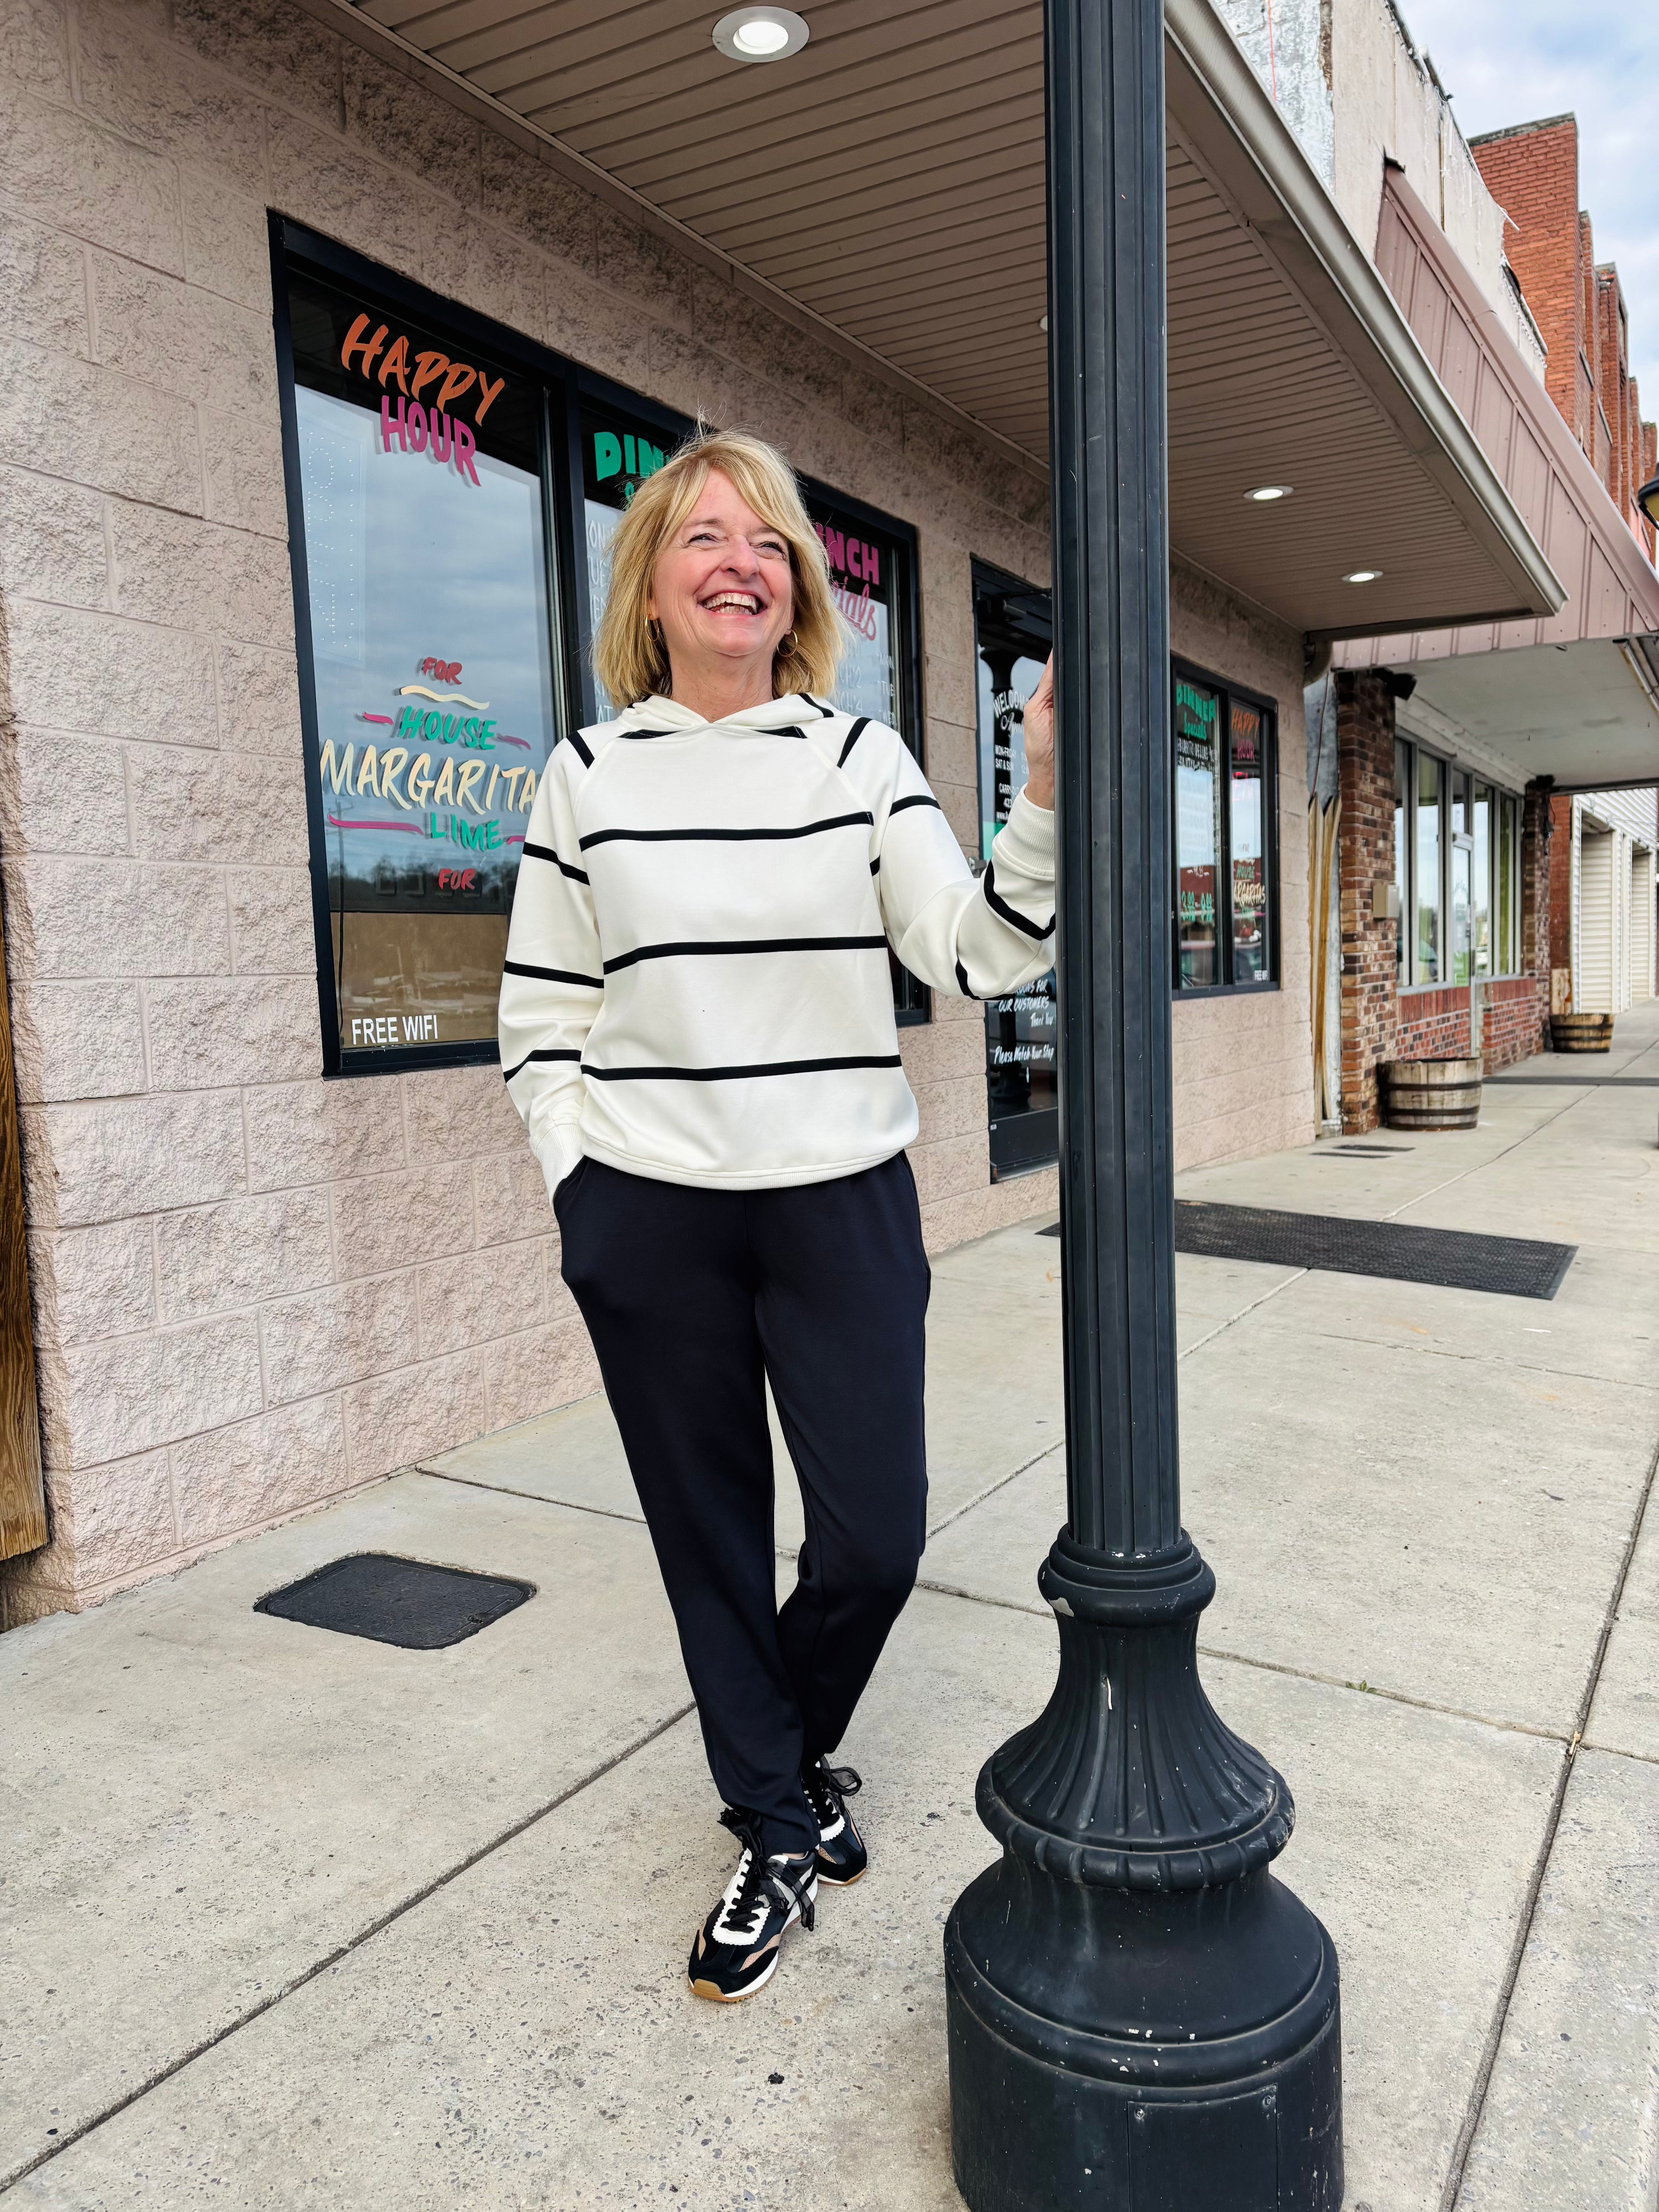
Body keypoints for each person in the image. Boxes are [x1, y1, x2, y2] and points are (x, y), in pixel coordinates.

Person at [499, 428, 1055, 2002]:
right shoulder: (588, 776)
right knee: (711, 1544)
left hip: (839, 1202)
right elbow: (542, 1012)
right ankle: (773, 1820)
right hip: (650, 1214)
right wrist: (578, 1178)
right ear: (651, 588)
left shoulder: (858, 760)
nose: (739, 563)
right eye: (704, 537)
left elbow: (977, 952)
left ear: (799, 587)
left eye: (767, 542)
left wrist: (1046, 798)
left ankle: (784, 1769)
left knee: (874, 1538)